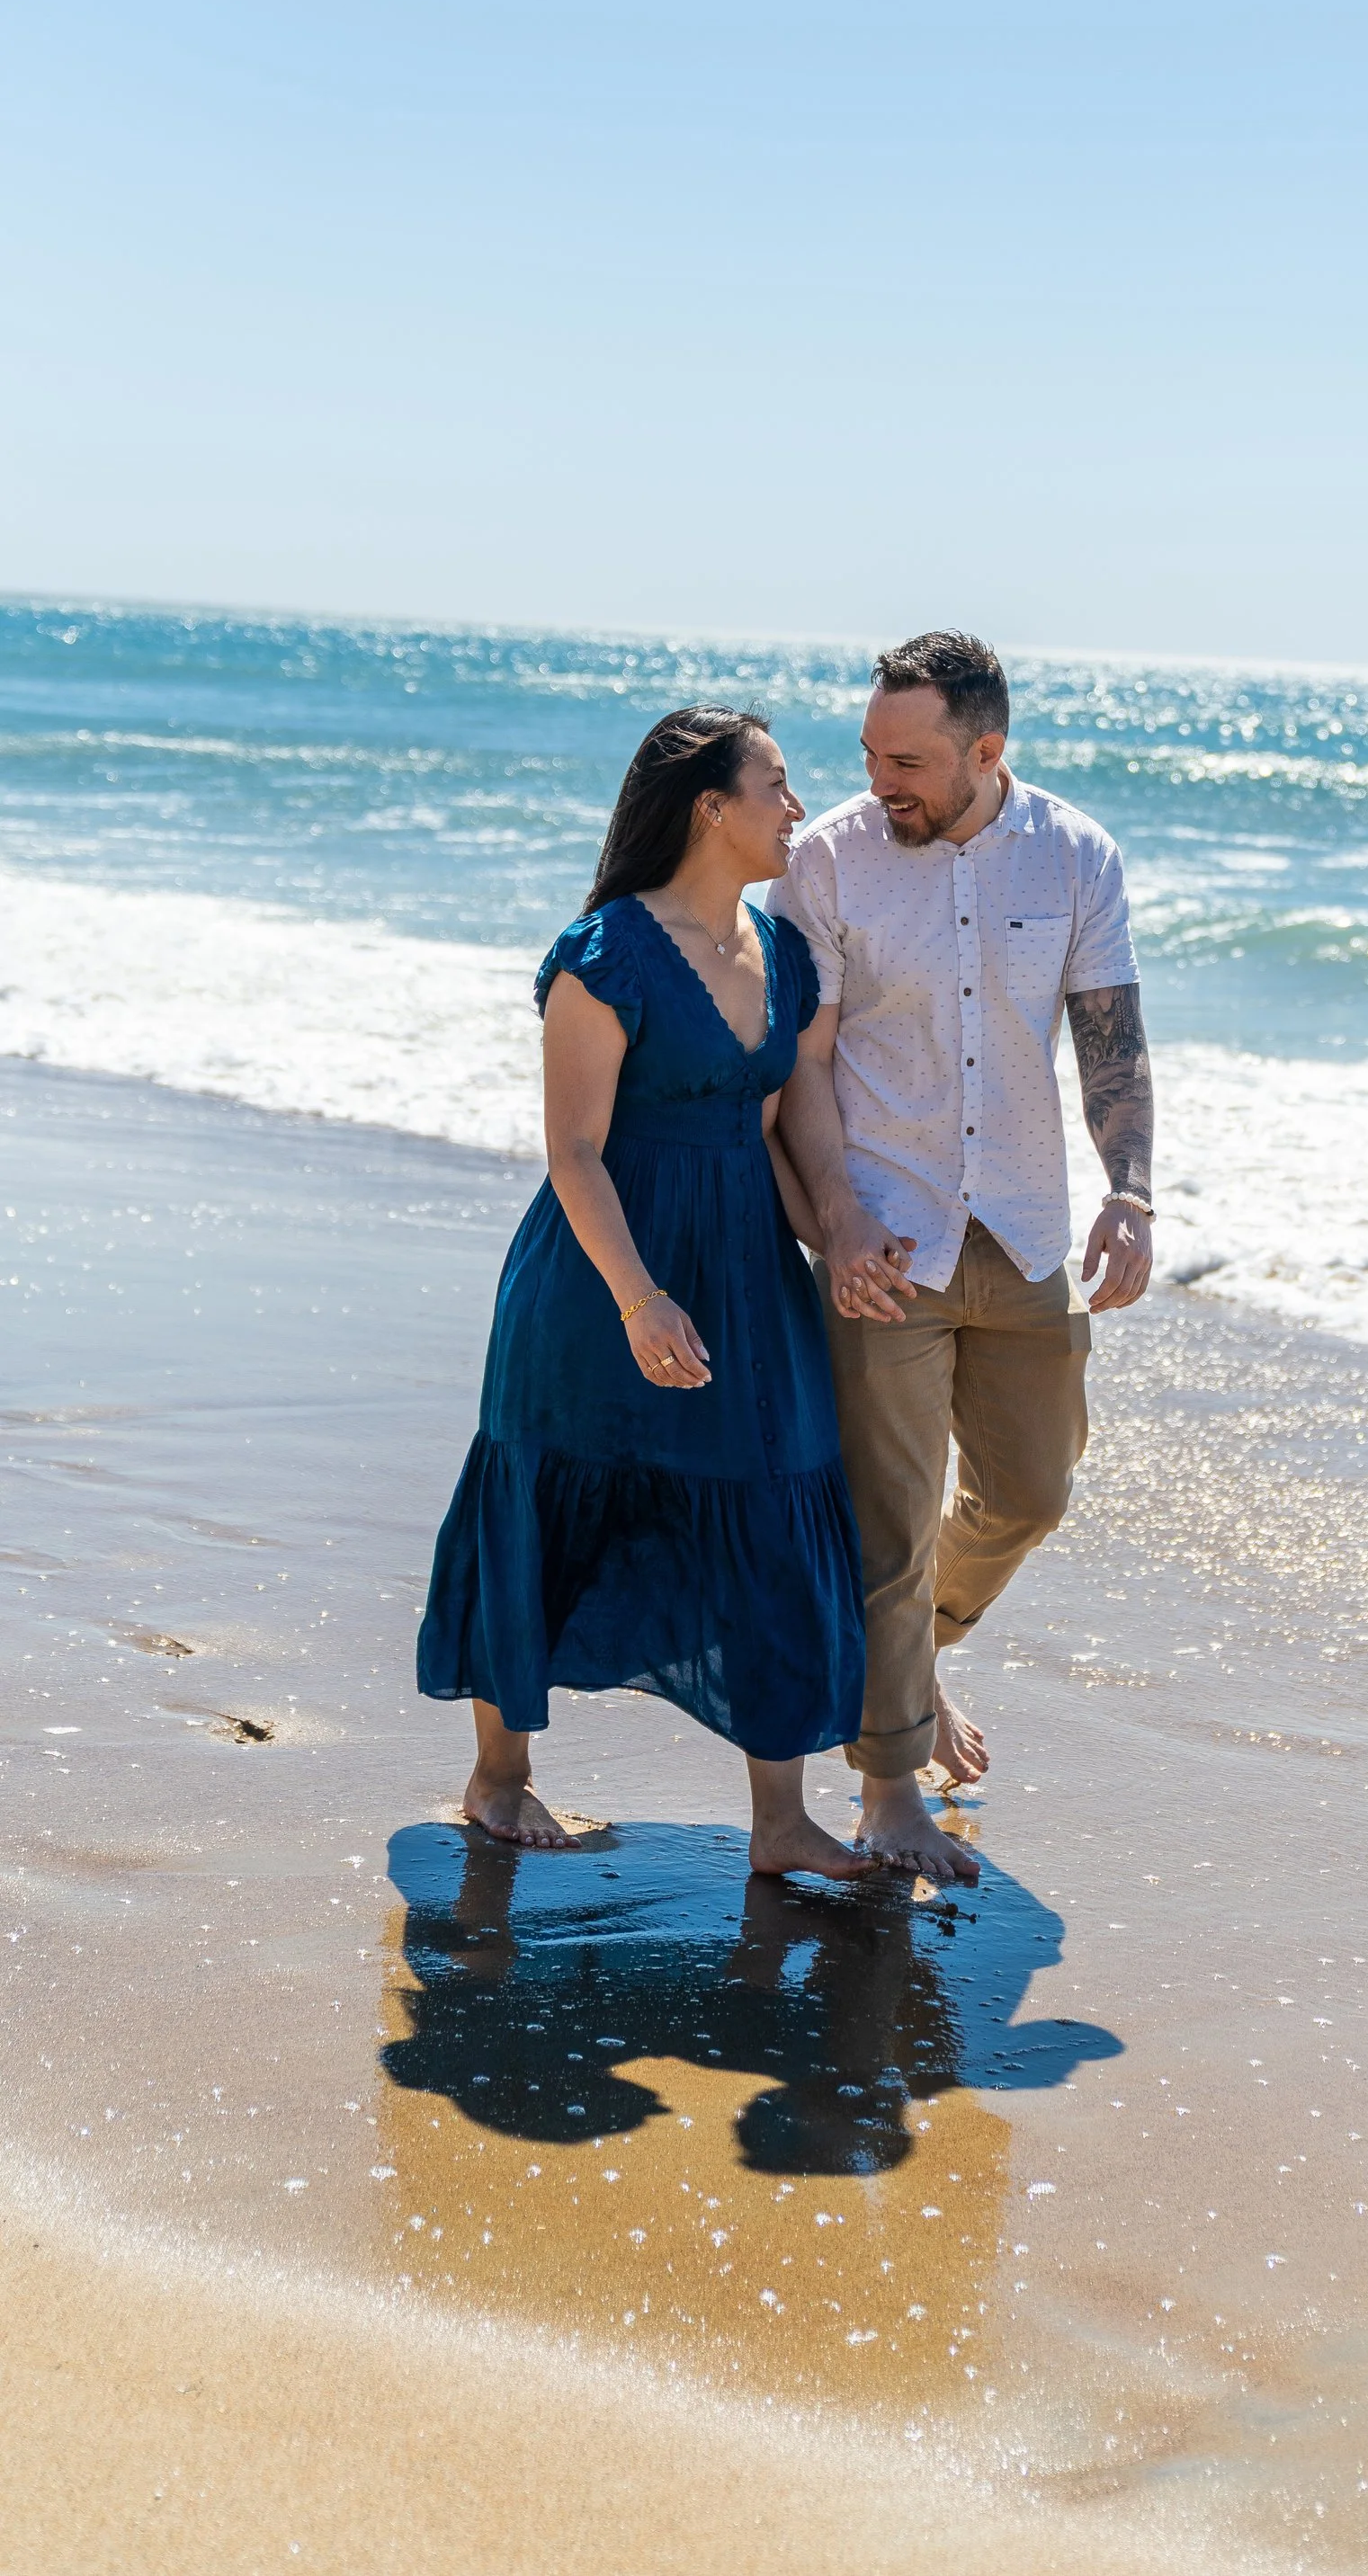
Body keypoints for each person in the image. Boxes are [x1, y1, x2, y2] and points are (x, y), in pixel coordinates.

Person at [417, 708, 869, 1875]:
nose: (795, 806)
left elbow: (785, 1127)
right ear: (709, 808)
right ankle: (500, 1775)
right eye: (775, 785)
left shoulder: (789, 954)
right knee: (554, 1501)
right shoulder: (606, 955)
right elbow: (574, 1151)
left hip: (746, 1283)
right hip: (599, 1280)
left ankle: (782, 1823)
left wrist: (845, 1238)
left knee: (772, 1504)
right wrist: (638, 1297)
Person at [773, 629, 1156, 1886]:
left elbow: (1111, 1039)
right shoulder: (827, 860)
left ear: (988, 751)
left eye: (913, 761)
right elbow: (802, 1065)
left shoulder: (1077, 853)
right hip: (885, 1232)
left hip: (1026, 1227)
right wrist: (835, 1228)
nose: (885, 780)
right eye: (874, 754)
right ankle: (889, 1790)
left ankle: (907, 1669)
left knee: (1034, 1490)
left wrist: (1132, 1193)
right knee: (888, 1524)